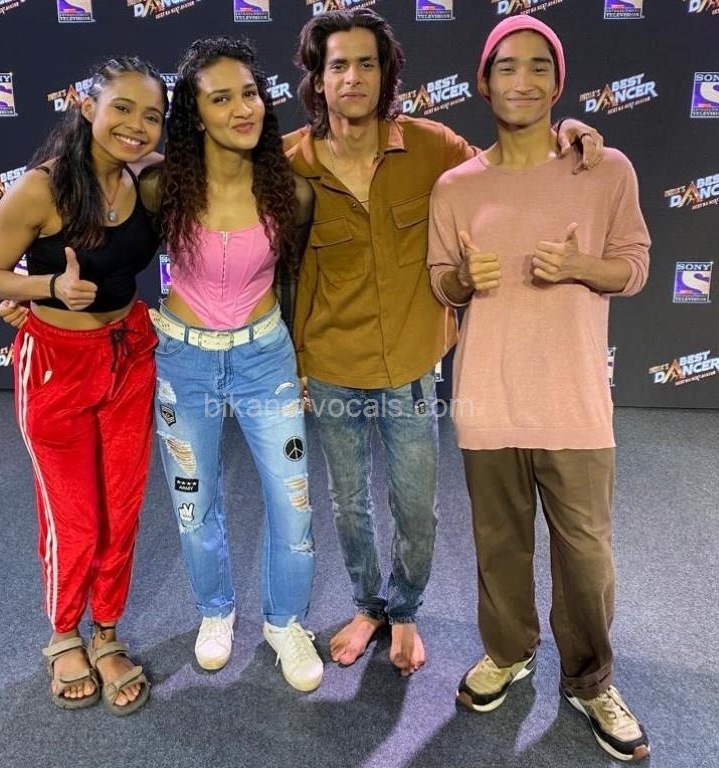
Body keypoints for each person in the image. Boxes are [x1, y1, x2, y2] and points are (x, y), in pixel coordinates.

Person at [286, 7, 603, 676]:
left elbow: (512, 161)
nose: (352, 77)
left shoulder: (432, 147)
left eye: (367, 63)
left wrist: (568, 131)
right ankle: (368, 605)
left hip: (410, 365)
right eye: (338, 65)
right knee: (348, 506)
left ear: (386, 74)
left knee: (417, 509)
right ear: (317, 78)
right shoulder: (289, 163)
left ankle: (404, 609)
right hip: (332, 364)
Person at [427, 16, 650, 761]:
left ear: (558, 83)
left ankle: (590, 681)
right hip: (487, 400)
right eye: (506, 67)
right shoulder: (456, 186)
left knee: (586, 558)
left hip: (575, 404)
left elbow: (635, 266)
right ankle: (509, 651)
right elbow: (440, 280)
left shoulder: (605, 169)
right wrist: (464, 280)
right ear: (482, 82)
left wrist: (582, 268)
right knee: (499, 548)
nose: (522, 82)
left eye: (538, 67)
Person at [0, 57, 168, 715]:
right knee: (74, 516)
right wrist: (47, 286)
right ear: (88, 107)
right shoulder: (40, 189)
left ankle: (106, 631)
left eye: (151, 115)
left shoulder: (148, 177)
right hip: (56, 365)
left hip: (129, 355)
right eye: (122, 108)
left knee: (122, 506)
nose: (136, 126)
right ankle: (63, 633)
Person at [139, 37, 323, 692]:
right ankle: (215, 611)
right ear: (194, 115)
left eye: (249, 94)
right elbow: (106, 250)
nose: (242, 108)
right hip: (183, 361)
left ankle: (285, 623)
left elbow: (294, 279)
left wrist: (299, 360)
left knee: (293, 505)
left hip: (264, 359)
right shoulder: (159, 189)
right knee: (195, 505)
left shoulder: (291, 193)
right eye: (221, 99)